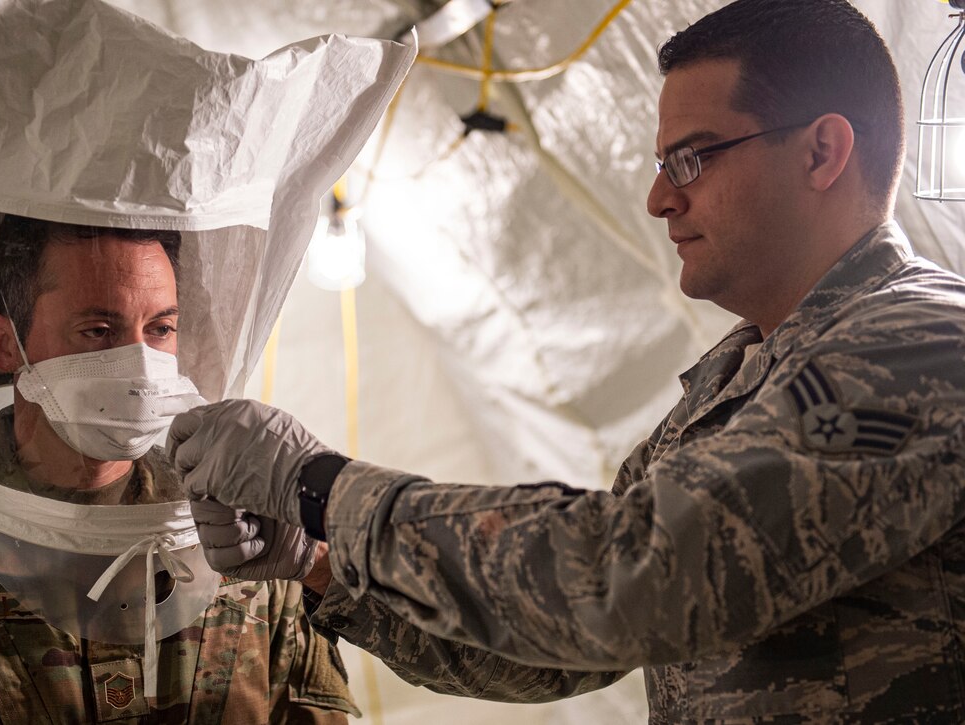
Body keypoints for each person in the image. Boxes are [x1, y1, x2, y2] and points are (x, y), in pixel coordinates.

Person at [165, 0, 965, 722]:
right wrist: (321, 567)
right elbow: (556, 640)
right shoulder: (731, 382)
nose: (659, 200)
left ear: (823, 151)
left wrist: (321, 486)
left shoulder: (922, 344)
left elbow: (633, 576)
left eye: (691, 159)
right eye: (660, 166)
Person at [0, 215, 357, 723]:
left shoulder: (247, 533)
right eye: (99, 330)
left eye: (160, 329)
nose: (139, 364)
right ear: (5, 344)